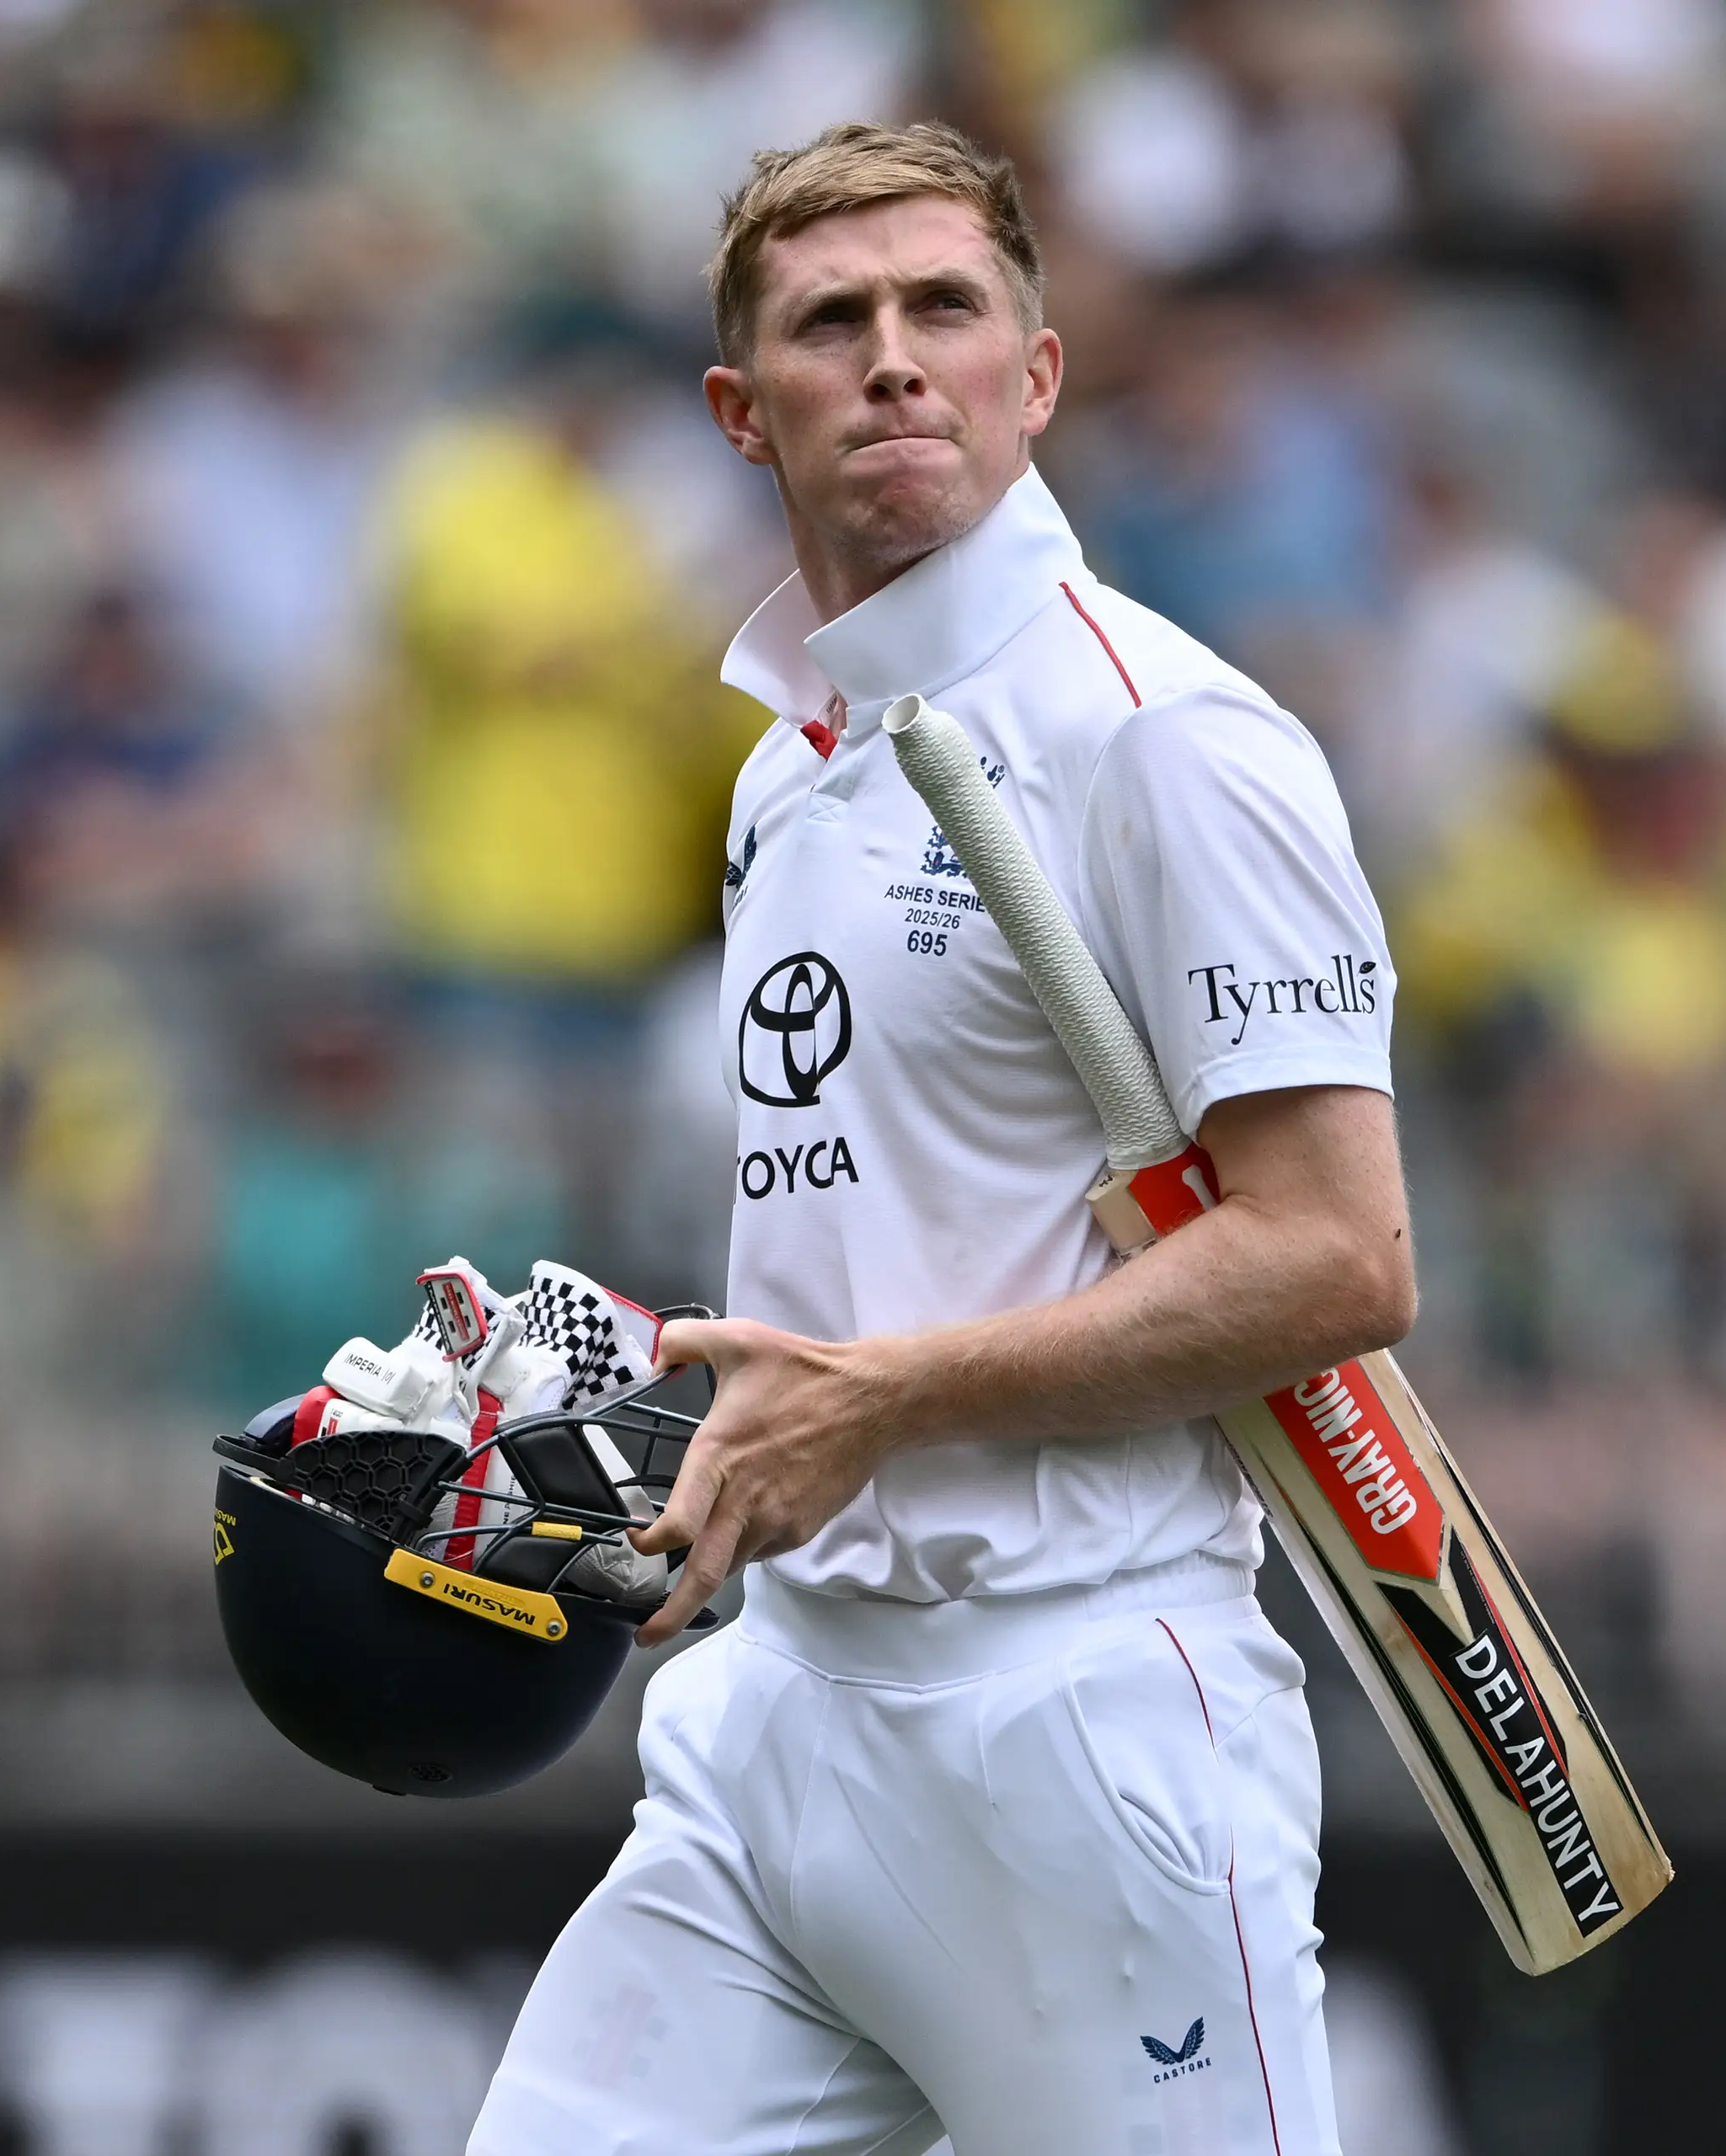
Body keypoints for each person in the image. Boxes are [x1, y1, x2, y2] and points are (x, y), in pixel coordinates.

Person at [467, 122, 1412, 2156]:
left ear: (1035, 374)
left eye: (944, 308)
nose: (894, 356)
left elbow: (1337, 1256)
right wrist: (623, 1405)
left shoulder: (1163, 734)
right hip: (779, 1716)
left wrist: (880, 1402)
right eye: (833, 321)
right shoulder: (783, 769)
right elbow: (878, 1262)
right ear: (742, 411)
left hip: (1079, 1718)